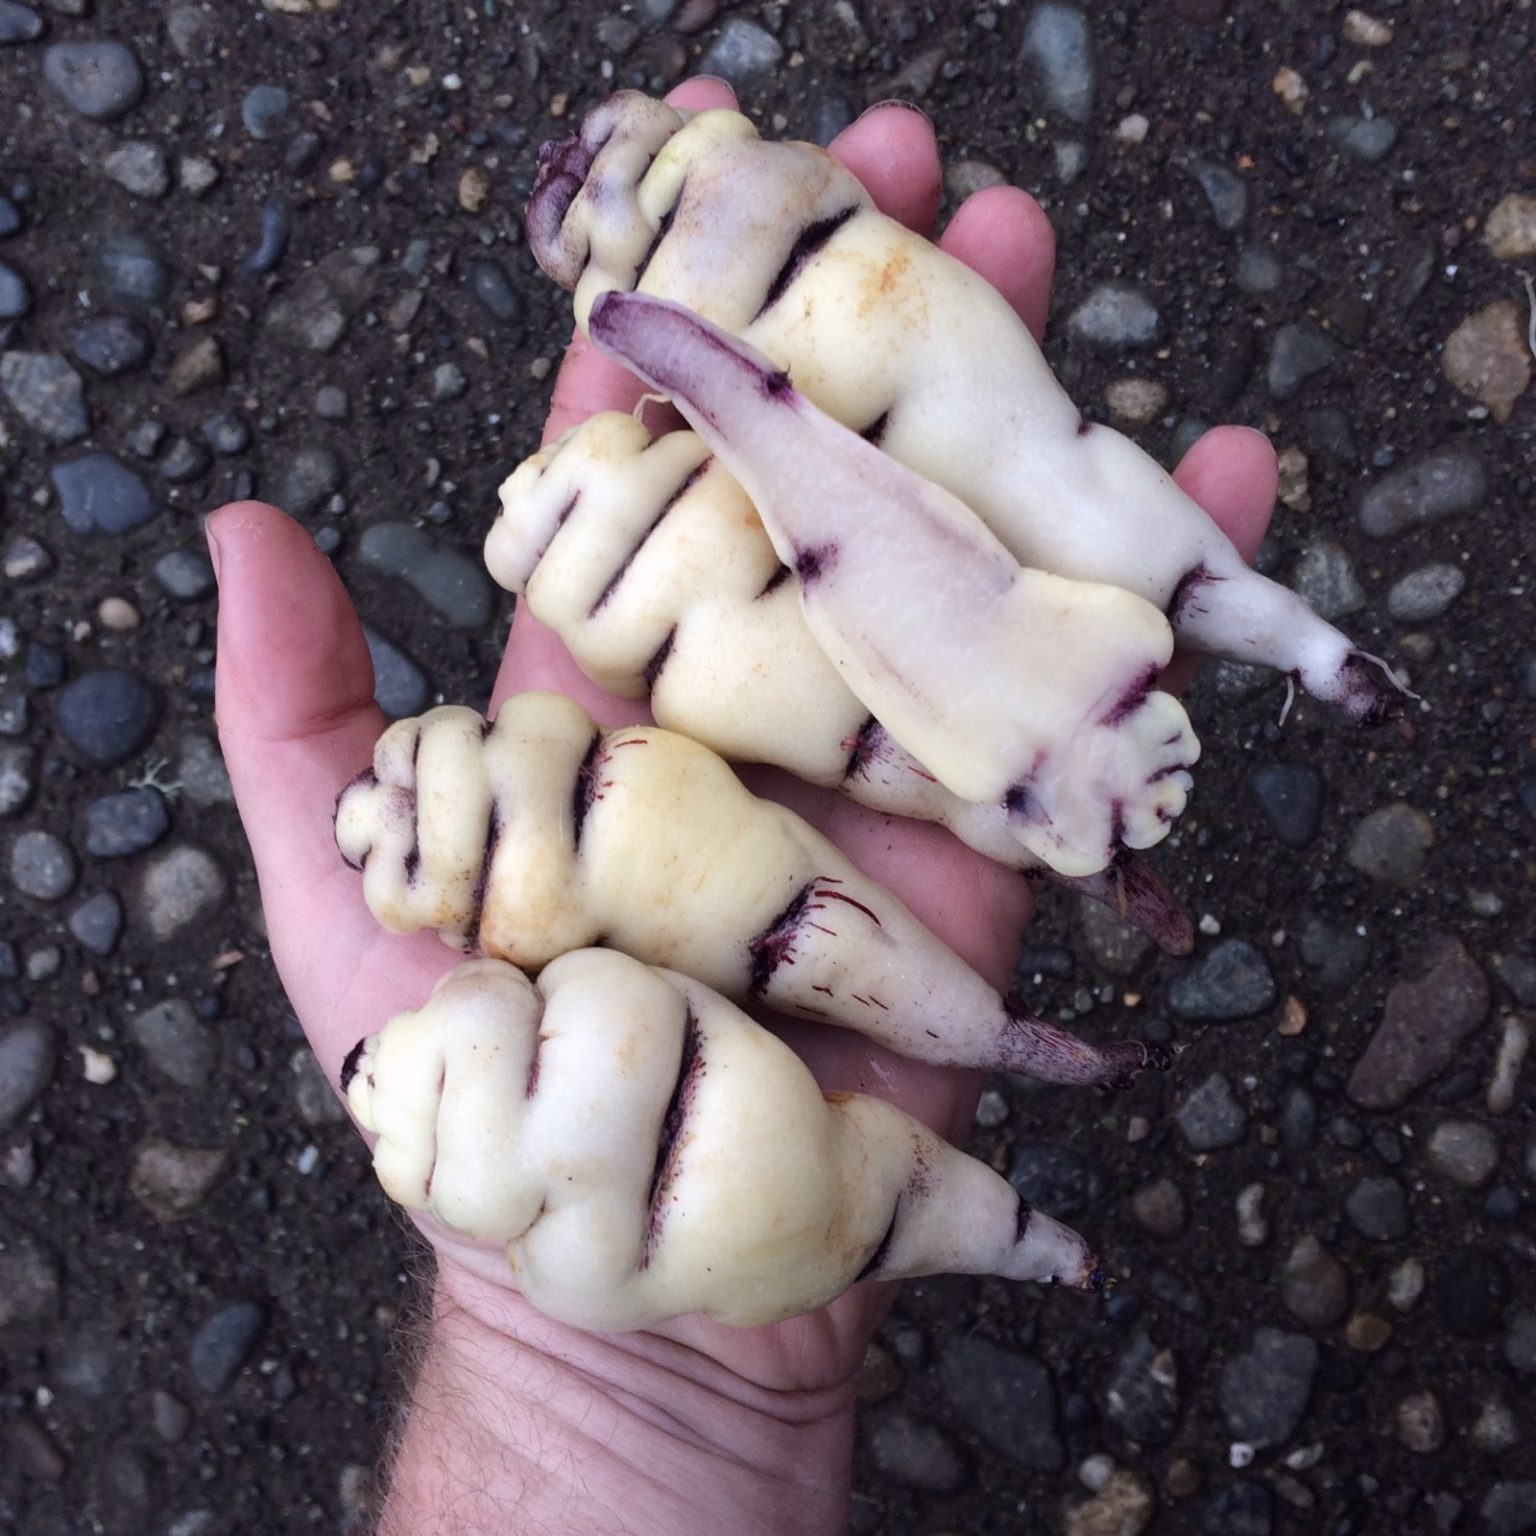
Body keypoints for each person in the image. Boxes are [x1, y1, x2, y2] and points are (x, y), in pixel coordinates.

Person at [210, 76, 1276, 1535]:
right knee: (916, 832)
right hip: (675, 862)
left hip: (711, 769)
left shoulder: (682, 540)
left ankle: (1115, 857)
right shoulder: (564, 861)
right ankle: (1043, 1040)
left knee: (993, 584)